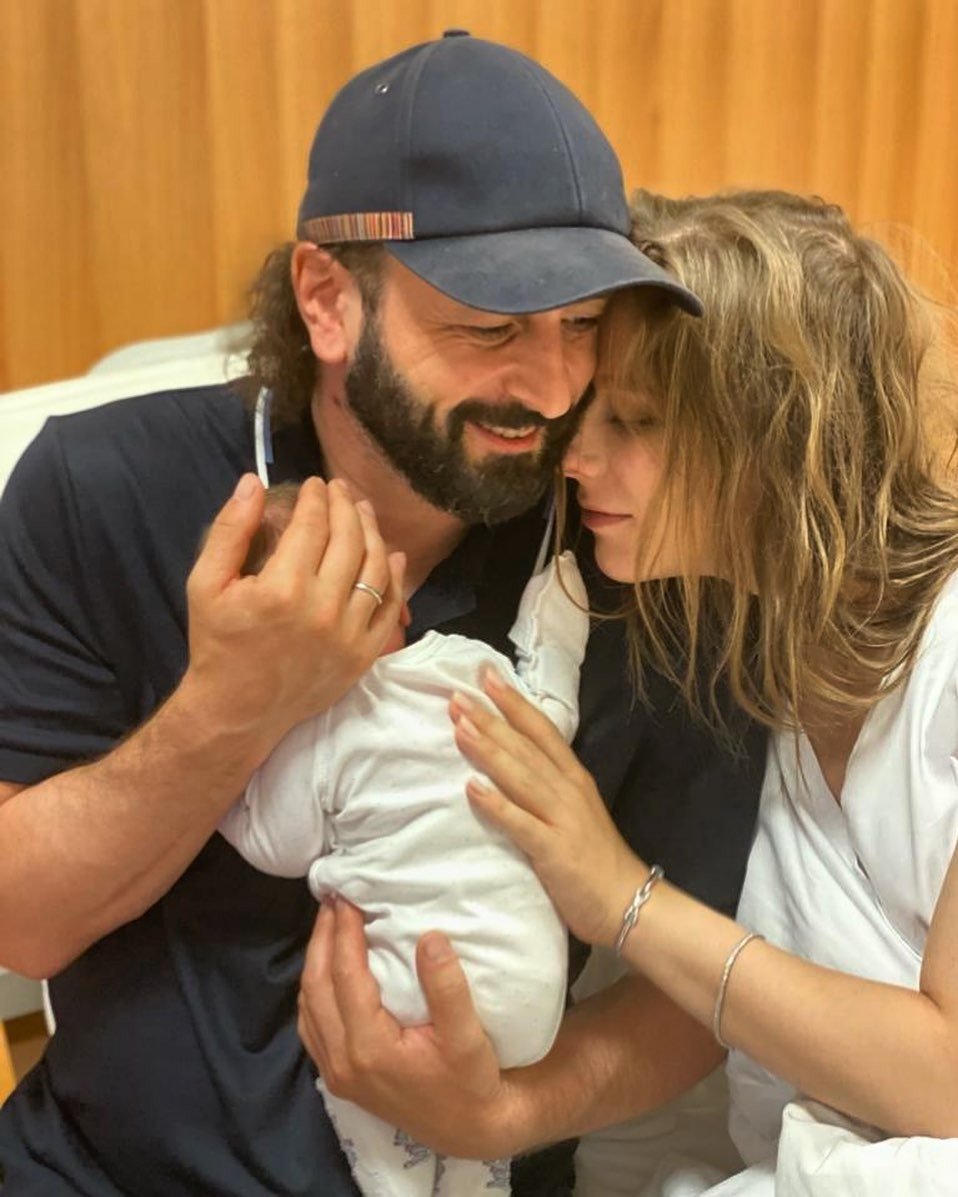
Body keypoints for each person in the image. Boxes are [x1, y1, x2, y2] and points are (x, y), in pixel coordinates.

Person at [0, 33, 766, 1197]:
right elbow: (21, 926)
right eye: (491, 327)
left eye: (579, 325)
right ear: (326, 299)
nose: (552, 389)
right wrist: (234, 706)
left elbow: (699, 985)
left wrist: (514, 1111)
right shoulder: (103, 489)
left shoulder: (632, 548)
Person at [437, 189, 958, 1195]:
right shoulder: (733, 650)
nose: (576, 457)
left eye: (633, 420)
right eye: (587, 412)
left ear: (780, 438)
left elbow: (949, 1079)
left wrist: (621, 899)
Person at [221, 485, 590, 1196]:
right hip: (531, 992)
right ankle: (481, 1178)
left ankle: (394, 1183)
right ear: (395, 600)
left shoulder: (320, 730)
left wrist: (232, 776)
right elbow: (549, 720)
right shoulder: (465, 665)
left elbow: (275, 846)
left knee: (361, 1082)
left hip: (415, 997)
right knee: (473, 1127)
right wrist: (558, 630)